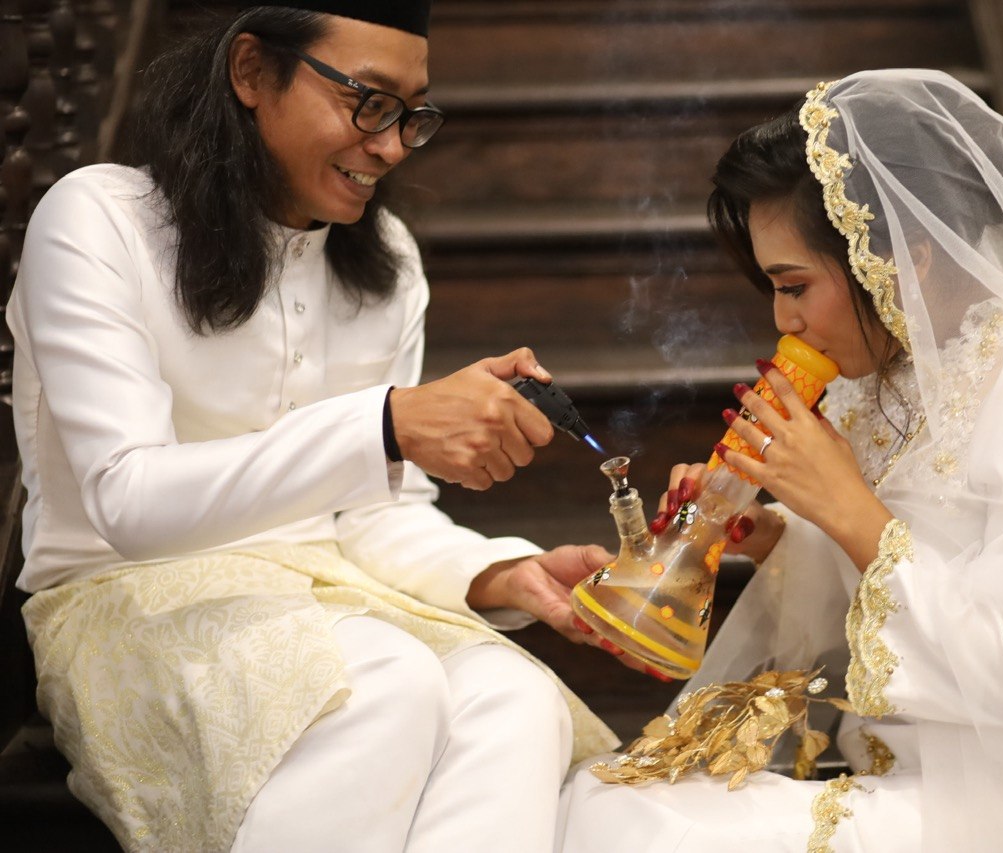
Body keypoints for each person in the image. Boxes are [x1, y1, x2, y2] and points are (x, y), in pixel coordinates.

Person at [556, 69, 1003, 852]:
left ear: (904, 260)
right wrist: (776, 534)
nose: (783, 318)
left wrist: (847, 506)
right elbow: (859, 597)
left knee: (628, 824)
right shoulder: (878, 375)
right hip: (893, 767)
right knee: (602, 794)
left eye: (794, 285)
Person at [8, 3, 620, 851]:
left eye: (412, 115)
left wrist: (501, 573)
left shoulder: (387, 259)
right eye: (368, 102)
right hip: (119, 595)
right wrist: (384, 425)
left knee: (514, 698)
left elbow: (374, 517)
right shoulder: (99, 218)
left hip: (329, 596)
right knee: (384, 684)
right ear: (252, 72)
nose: (393, 145)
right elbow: (129, 500)